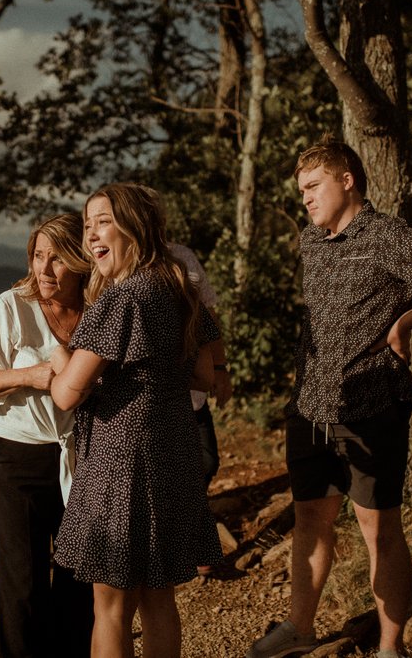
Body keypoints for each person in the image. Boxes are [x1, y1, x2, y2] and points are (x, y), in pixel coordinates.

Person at [246, 138, 412, 658]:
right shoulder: (312, 241)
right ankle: (300, 629)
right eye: (301, 190)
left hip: (371, 406)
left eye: (313, 187)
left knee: (379, 530)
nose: (305, 199)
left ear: (347, 179)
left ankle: (390, 647)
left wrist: (407, 320)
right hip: (310, 406)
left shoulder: (386, 235)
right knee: (311, 517)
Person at [50, 183, 222, 658]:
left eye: (102, 221)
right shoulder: (178, 287)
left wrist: (52, 367)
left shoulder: (121, 298)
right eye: (87, 226)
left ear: (134, 226)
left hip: (120, 461)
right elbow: (207, 376)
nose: (91, 236)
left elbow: (67, 394)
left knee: (110, 606)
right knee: (159, 596)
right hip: (172, 451)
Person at [0, 214, 94, 657]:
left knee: (79, 573)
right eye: (38, 256)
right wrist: (32, 375)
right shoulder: (11, 306)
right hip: (16, 455)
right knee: (22, 578)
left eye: (57, 259)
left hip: (83, 456)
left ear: (81, 258)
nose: (45, 270)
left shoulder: (99, 308)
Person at [167, 242, 232, 577]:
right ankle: (191, 548)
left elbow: (208, 314)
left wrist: (219, 368)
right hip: (157, 399)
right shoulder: (115, 261)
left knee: (206, 461)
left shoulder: (183, 256)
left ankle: (185, 535)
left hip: (192, 389)